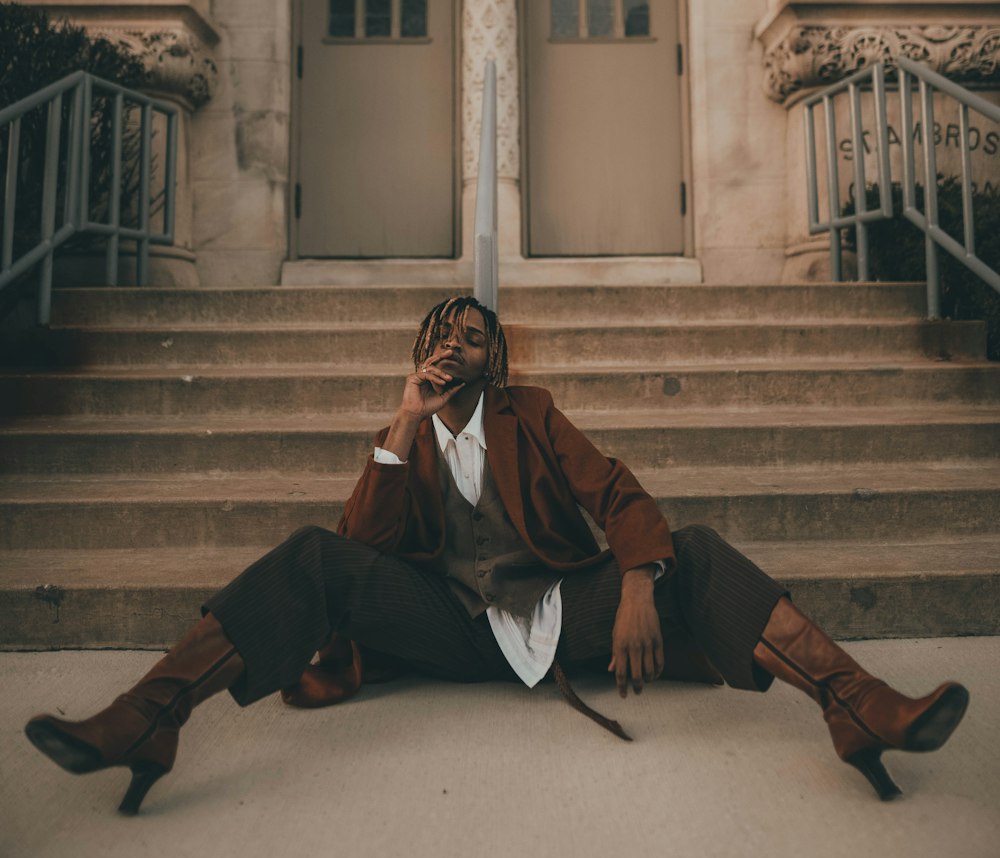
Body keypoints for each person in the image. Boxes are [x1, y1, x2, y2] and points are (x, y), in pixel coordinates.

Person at [25, 295, 970, 814]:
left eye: (472, 336)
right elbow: (358, 558)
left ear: (497, 359)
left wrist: (640, 580)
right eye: (441, 333)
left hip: (559, 614)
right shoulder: (407, 432)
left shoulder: (534, 413)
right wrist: (403, 423)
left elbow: (617, 493)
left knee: (701, 552)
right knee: (311, 553)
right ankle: (148, 718)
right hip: (445, 624)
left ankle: (857, 706)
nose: (455, 343)